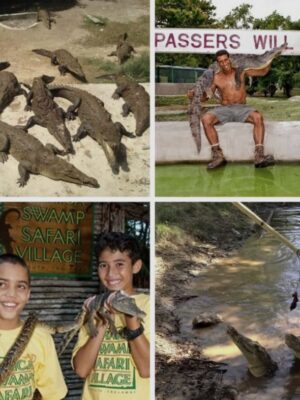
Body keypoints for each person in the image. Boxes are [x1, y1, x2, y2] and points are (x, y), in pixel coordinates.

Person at [72, 232, 150, 400]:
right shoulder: (93, 307)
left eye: (120, 264)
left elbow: (147, 369)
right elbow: (81, 370)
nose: (110, 273)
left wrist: (131, 317)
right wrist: (101, 321)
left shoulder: (149, 305)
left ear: (136, 266)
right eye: (103, 265)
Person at [188, 49, 275, 169]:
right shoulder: (216, 78)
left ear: (229, 59)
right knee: (206, 119)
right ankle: (218, 156)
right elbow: (207, 97)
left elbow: (263, 71)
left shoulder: (241, 71)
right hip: (225, 109)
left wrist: (272, 58)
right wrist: (195, 95)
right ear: (218, 63)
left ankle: (259, 156)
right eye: (221, 62)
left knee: (258, 117)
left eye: (226, 60)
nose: (224, 63)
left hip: (242, 108)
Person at [0, 253, 67, 400]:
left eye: (21, 286)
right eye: (2, 284)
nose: (11, 294)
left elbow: (53, 395)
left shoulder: (42, 339)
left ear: (28, 294)